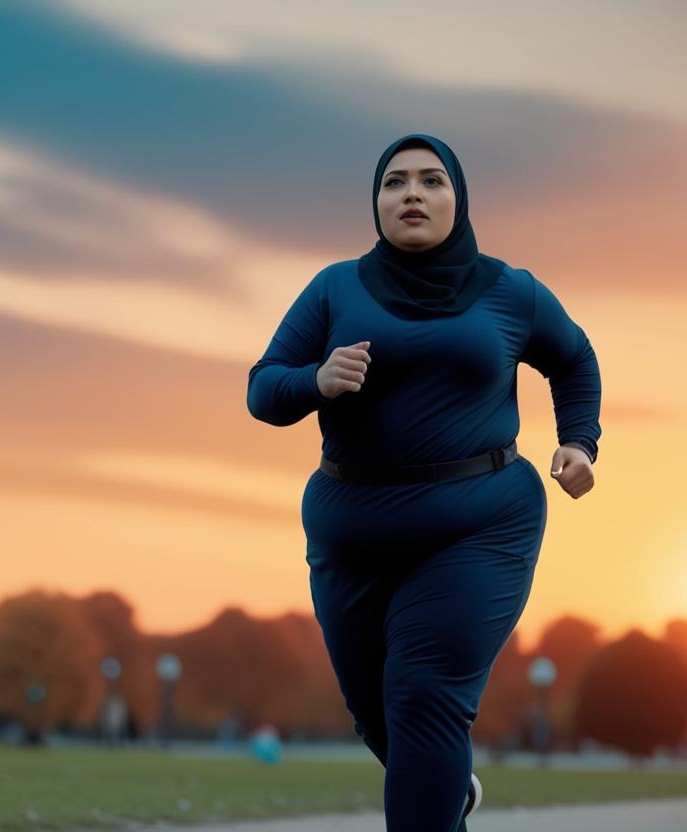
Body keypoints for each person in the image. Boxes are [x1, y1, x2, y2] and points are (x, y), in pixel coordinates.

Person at [246, 133, 601, 832]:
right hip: (351, 528)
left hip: (480, 521)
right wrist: (315, 381)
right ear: (375, 202)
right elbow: (263, 388)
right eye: (395, 182)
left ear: (458, 198)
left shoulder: (512, 292)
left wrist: (579, 442)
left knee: (423, 694)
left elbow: (575, 358)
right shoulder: (333, 289)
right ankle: (449, 799)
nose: (413, 193)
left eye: (432, 181)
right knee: (376, 711)